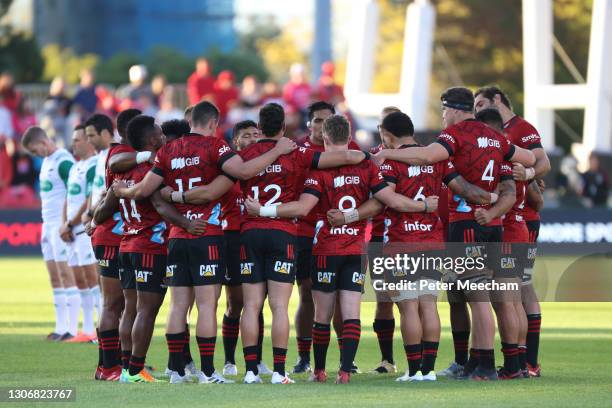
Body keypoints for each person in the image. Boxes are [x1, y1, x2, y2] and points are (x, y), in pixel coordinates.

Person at [112, 100, 298, 384]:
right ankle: (209, 373)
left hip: (176, 237)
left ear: (191, 122)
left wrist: (124, 191)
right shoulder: (216, 147)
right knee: (207, 306)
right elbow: (245, 172)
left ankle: (176, 371)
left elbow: (146, 190)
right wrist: (277, 149)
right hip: (206, 234)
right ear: (213, 122)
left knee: (177, 306)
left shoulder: (167, 151)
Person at [243, 114, 433, 383]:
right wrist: (353, 216)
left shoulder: (318, 169)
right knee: (352, 312)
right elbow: (382, 202)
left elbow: (303, 207)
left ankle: (319, 370)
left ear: (325, 138)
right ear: (350, 134)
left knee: (323, 313)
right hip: (356, 248)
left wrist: (262, 209)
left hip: (325, 249)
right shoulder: (367, 164)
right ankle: (345, 371)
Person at [374, 87, 536, 380]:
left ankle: (485, 365)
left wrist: (384, 152)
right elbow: (528, 158)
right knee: (497, 296)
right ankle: (506, 363)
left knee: (477, 297)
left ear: (455, 109)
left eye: (444, 110)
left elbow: (425, 156)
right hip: (494, 226)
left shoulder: (455, 135)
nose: (443, 116)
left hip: (466, 224)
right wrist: (519, 179)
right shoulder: (498, 138)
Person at [231, 103, 367, 384]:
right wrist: (365, 155)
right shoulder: (298, 153)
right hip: (283, 232)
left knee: (251, 306)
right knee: (280, 306)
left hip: (250, 232)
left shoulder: (245, 155)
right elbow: (341, 157)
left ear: (259, 128)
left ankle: (250, 372)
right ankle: (280, 372)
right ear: (284, 128)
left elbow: (237, 174)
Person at [474, 86, 551, 377]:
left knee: (514, 295)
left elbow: (542, 165)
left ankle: (522, 362)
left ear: (497, 101)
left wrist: (528, 175)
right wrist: (528, 181)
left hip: (512, 225)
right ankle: (521, 362)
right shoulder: (508, 149)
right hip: (518, 221)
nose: (476, 110)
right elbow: (537, 196)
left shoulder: (517, 133)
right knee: (516, 293)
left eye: (480, 104)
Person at [292, 101, 361, 375]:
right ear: (309, 124)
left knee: (344, 299)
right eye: (318, 121)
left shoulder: (353, 151)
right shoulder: (299, 150)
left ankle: (346, 359)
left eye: (327, 121)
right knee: (308, 295)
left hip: (340, 234)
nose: (323, 126)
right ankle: (304, 356)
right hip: (306, 231)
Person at [85, 111, 139, 381]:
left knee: (117, 305)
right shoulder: (121, 154)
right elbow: (113, 195)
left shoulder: (115, 153)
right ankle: (110, 368)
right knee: (112, 304)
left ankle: (106, 365)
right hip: (112, 237)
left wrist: (91, 217)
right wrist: (95, 217)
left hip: (112, 235)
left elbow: (105, 194)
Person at [219, 120, 273, 377]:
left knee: (257, 302)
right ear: (235, 142)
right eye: (246, 136)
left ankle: (257, 359)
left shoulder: (269, 166)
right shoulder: (230, 168)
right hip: (232, 237)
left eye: (256, 135)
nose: (252, 139)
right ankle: (230, 360)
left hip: (257, 237)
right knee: (236, 302)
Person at [21, 126, 77, 342]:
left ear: (43, 142)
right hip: (47, 225)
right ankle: (61, 326)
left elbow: (74, 193)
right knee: (55, 277)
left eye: (36, 150)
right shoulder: (46, 162)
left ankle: (72, 328)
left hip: (60, 225)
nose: (36, 155)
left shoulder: (64, 161)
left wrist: (66, 222)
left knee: (66, 274)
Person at [59, 124, 100, 343]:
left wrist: (72, 223)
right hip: (71, 228)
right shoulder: (76, 166)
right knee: (80, 279)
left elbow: (88, 199)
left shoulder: (94, 165)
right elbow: (68, 197)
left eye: (77, 140)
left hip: (83, 228)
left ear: (88, 141)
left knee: (92, 277)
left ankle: (101, 329)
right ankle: (86, 329)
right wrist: (65, 223)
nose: (73, 143)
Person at [369, 106, 400, 375]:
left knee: (414, 302)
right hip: (379, 238)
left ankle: (422, 362)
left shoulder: (419, 155)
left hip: (411, 235)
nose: (382, 131)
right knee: (384, 299)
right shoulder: (374, 158)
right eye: (380, 125)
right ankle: (387, 359)